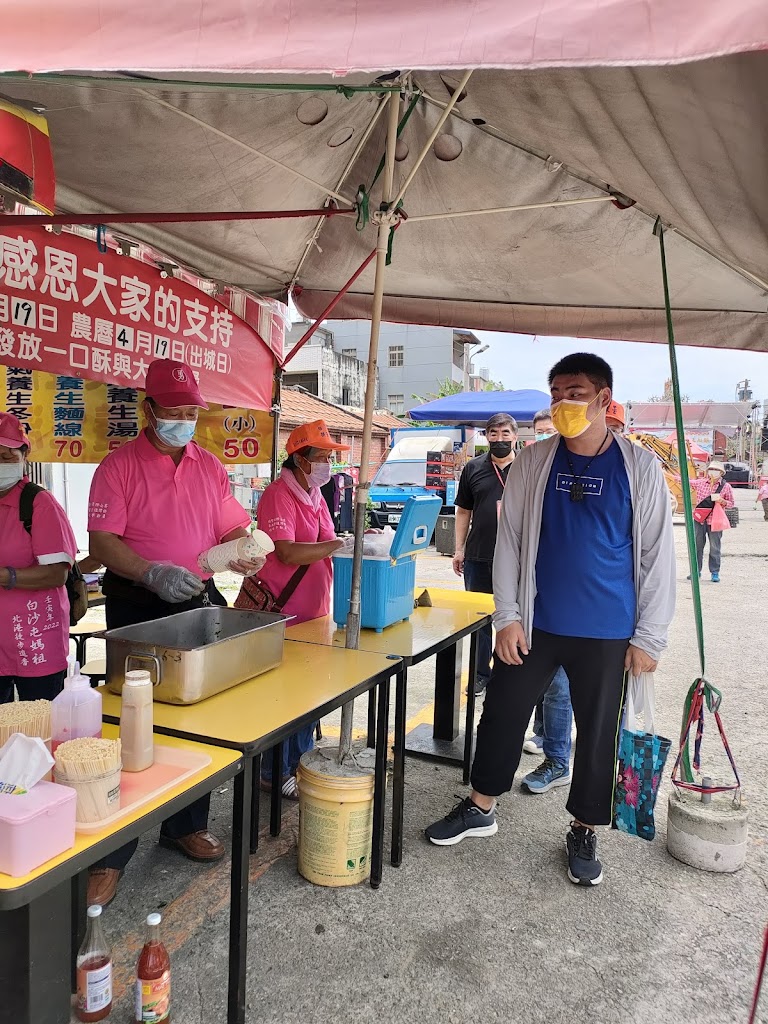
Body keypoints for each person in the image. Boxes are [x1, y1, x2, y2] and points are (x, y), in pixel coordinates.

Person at [426, 353, 676, 887]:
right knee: (503, 710)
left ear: (604, 400)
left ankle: (585, 826)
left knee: (598, 734)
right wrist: (508, 617)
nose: (564, 402)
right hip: (536, 624)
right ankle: (481, 805)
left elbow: (657, 554)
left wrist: (650, 636)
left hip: (610, 630)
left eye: (576, 392)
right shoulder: (536, 462)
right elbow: (511, 541)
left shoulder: (639, 467)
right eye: (557, 392)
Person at [86, 359, 265, 907]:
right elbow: (100, 543)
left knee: (195, 717)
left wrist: (245, 548)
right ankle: (112, 851)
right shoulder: (117, 467)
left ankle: (184, 825)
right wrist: (149, 571)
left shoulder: (208, 466)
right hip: (139, 601)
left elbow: (230, 523)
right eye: (175, 412)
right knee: (135, 718)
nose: (184, 421)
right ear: (149, 410)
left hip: (198, 598)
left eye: (192, 412)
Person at [250, 420, 348, 798]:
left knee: (308, 693)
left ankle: (297, 762)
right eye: (322, 457)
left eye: (329, 457)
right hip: (284, 612)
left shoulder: (314, 493)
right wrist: (337, 545)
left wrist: (346, 542)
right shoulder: (278, 494)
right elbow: (287, 551)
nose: (328, 465)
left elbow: (326, 540)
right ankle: (276, 771)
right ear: (300, 459)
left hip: (315, 611)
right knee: (287, 695)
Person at [0, 412, 77, 703]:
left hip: (34, 639)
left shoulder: (38, 502)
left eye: (7, 456)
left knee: (42, 727)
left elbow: (57, 573)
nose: (0, 463)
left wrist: (5, 576)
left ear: (24, 457)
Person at [518, 409, 575, 795]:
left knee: (568, 689)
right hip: (538, 603)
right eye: (539, 433)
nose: (544, 439)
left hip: (587, 611)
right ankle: (555, 754)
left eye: (549, 432)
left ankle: (565, 760)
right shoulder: (534, 472)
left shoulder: (592, 472)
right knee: (554, 687)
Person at [452, 414, 517, 695]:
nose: (499, 439)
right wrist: (459, 548)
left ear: (515, 436)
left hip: (516, 558)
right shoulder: (473, 468)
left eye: (505, 433)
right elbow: (464, 511)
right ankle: (480, 674)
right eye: (493, 433)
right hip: (479, 556)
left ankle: (509, 672)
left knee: (513, 617)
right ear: (486, 436)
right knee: (479, 620)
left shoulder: (527, 467)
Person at [690, 460, 734, 583]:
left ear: (721, 473)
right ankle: (695, 571)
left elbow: (731, 504)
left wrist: (722, 501)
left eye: (716, 470)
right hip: (700, 519)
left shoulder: (726, 487)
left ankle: (715, 572)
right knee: (697, 546)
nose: (713, 472)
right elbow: (684, 481)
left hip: (715, 521)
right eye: (711, 469)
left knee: (715, 547)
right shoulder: (701, 483)